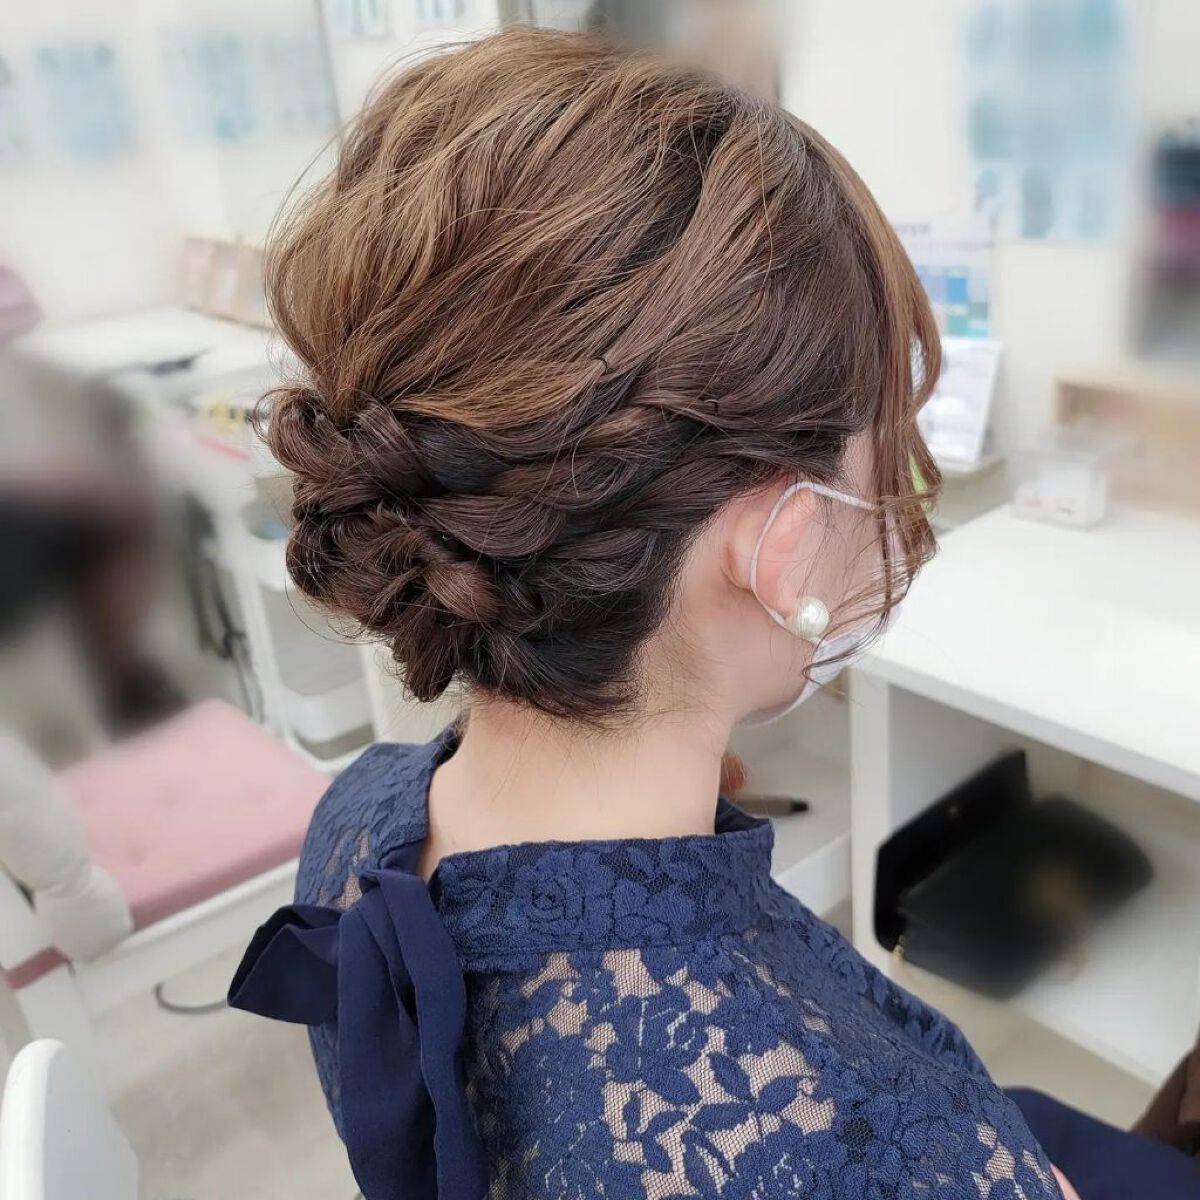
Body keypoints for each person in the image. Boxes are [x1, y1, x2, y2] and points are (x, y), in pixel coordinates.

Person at [228, 28, 1197, 1200]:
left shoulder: (354, 818)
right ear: (782, 547)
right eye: (886, 450)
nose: (894, 500)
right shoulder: (879, 1152)